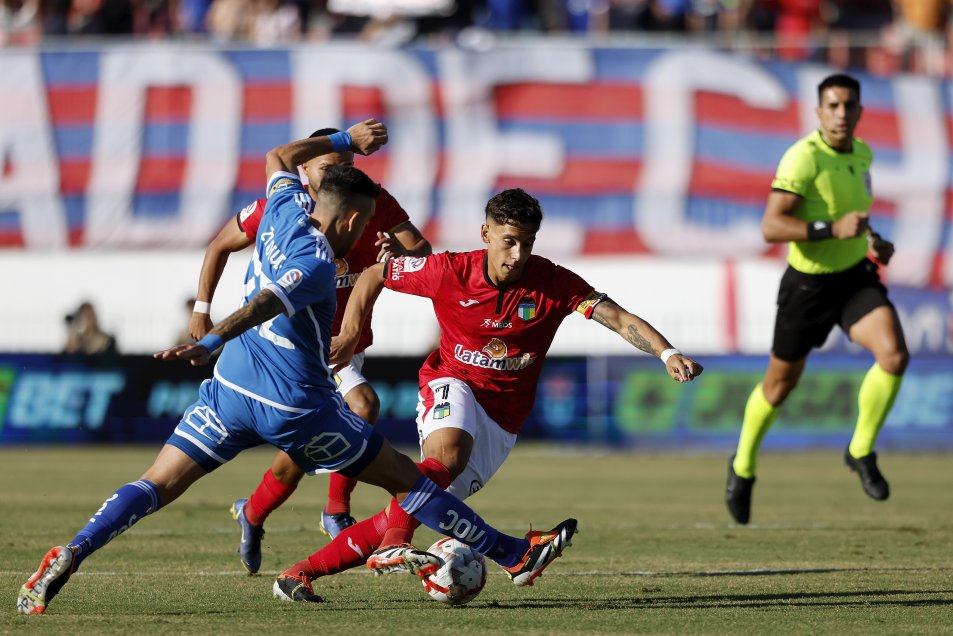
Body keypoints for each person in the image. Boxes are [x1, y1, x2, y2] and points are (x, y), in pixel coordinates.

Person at [17, 122, 576, 615]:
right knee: (410, 479)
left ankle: (72, 551)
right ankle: (511, 553)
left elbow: (278, 159)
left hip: (229, 390)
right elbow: (265, 304)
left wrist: (343, 141)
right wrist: (209, 335)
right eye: (361, 230)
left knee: (156, 482)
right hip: (298, 407)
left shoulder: (283, 208)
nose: (361, 241)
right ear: (354, 218)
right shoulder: (315, 262)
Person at [273, 186, 703, 598]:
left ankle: (300, 573)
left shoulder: (551, 282)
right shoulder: (449, 270)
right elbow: (375, 272)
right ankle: (416, 547)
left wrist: (666, 352)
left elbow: (616, 316)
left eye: (527, 244)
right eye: (509, 241)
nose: (517, 256)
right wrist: (350, 332)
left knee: (422, 501)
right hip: (450, 381)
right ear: (486, 234)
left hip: (503, 418)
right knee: (446, 457)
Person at [189, 127, 430, 574]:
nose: (341, 170)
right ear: (305, 169)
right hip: (300, 351)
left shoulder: (369, 201)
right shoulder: (276, 211)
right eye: (330, 164)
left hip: (344, 348)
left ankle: (254, 511)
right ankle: (335, 510)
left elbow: (420, 250)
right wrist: (202, 310)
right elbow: (219, 245)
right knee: (363, 404)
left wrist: (395, 252)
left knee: (298, 457)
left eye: (348, 165)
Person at [724, 74, 909, 525]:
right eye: (833, 105)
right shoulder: (803, 158)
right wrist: (831, 230)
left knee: (894, 355)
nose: (841, 113)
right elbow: (772, 226)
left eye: (849, 106)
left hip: (854, 278)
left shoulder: (862, 154)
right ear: (818, 112)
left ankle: (860, 450)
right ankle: (742, 467)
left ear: (861, 112)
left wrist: (873, 241)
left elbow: (852, 219)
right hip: (808, 287)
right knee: (778, 386)